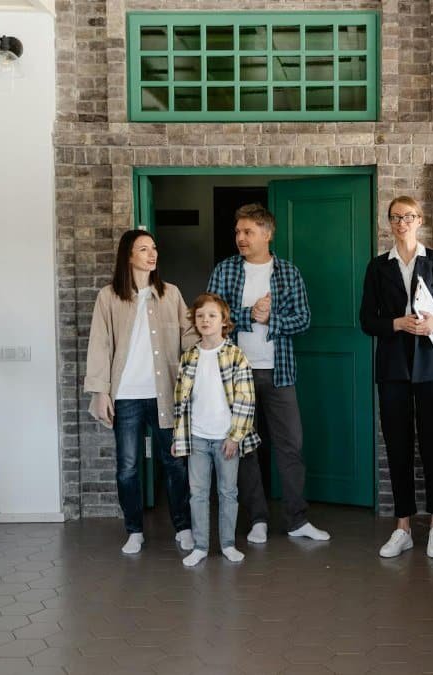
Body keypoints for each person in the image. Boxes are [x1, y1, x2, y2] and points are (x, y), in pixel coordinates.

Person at [207, 203, 330, 543]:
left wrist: (270, 318)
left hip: (279, 373)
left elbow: (303, 319)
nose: (240, 238)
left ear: (267, 234)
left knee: (291, 447)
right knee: (245, 449)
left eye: (248, 232)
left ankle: (297, 521)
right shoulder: (225, 270)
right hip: (236, 375)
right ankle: (257, 520)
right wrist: (250, 314)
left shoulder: (288, 272)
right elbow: (211, 317)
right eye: (238, 232)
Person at [358, 196, 433, 558]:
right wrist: (396, 324)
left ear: (420, 220)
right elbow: (366, 320)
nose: (401, 223)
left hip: (432, 367)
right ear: (389, 223)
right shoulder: (377, 266)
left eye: (408, 217)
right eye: (395, 217)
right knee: (397, 446)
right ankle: (402, 526)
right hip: (392, 367)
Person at [85, 229, 197, 555]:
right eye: (144, 249)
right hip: (126, 396)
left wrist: (213, 344)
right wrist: (101, 392)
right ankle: (134, 530)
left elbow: (189, 335)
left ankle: (183, 527)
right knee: (127, 468)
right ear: (129, 255)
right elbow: (99, 345)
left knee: (175, 464)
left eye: (154, 248)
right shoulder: (109, 297)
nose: (152, 254)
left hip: (165, 394)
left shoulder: (171, 294)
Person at [172, 293, 260, 567]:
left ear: (224, 321)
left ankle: (228, 544)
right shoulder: (189, 356)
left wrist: (235, 437)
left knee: (227, 492)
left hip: (225, 438)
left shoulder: (235, 355)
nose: (205, 320)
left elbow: (246, 399)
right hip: (197, 437)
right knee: (197, 493)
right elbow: (181, 401)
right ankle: (200, 546)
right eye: (200, 316)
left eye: (212, 315)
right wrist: (179, 436)